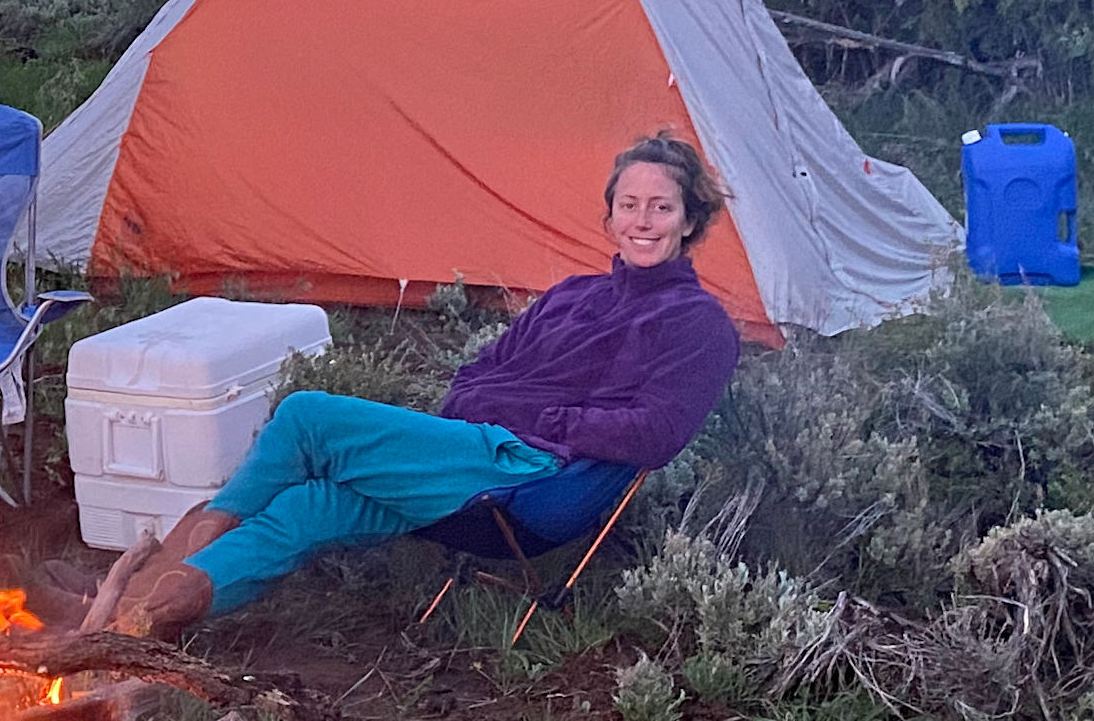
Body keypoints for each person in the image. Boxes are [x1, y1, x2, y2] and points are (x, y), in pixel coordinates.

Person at [82, 133, 744, 638]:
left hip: (535, 479)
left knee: (310, 416)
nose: (643, 221)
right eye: (629, 205)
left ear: (690, 220)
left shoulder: (697, 323)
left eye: (661, 207)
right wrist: (494, 405)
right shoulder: (574, 295)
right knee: (308, 505)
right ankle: (143, 621)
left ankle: (182, 547)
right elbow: (479, 374)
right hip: (473, 453)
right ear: (610, 216)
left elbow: (655, 435)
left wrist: (540, 416)